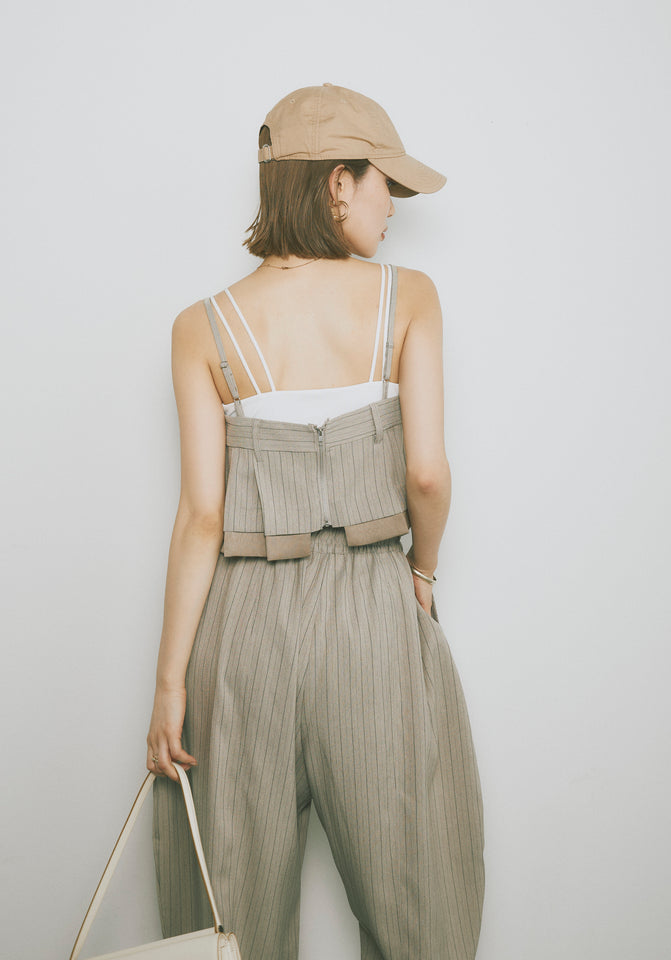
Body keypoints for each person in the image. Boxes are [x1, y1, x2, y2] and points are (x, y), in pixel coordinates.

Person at [147, 82, 485, 960]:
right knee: (418, 889)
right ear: (339, 183)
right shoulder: (407, 299)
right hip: (373, 612)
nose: (393, 207)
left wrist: (170, 686)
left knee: (232, 909)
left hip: (242, 626)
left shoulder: (201, 328)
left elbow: (201, 516)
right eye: (386, 185)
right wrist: (421, 573)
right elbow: (427, 474)